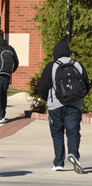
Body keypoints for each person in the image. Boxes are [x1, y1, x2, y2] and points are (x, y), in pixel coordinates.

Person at [39, 41, 90, 174]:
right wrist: (78, 98)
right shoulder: (77, 65)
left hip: (55, 106)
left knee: (57, 134)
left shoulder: (52, 66)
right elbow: (86, 85)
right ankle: (74, 155)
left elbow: (42, 87)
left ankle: (58, 163)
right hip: (74, 105)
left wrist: (48, 100)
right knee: (73, 132)